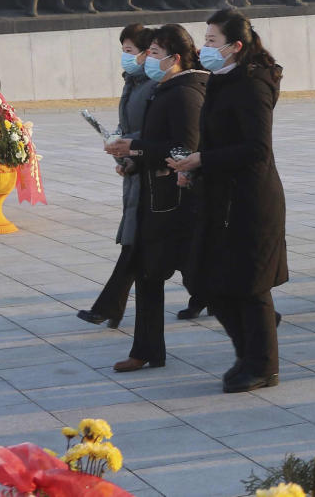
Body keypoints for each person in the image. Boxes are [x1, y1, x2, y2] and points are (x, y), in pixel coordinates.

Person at [167, 9, 288, 392]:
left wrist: (203, 159)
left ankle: (263, 366)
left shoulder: (253, 85)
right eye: (204, 40)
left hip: (250, 201)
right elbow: (216, 137)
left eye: (212, 41)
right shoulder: (222, 80)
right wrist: (193, 167)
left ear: (235, 47)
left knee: (250, 288)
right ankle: (246, 354)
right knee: (210, 284)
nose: (205, 48)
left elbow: (256, 149)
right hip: (220, 197)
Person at [102, 25, 207, 372]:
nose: (148, 60)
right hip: (153, 196)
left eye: (155, 54)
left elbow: (184, 148)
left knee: (204, 277)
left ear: (175, 59)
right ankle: (147, 350)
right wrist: (132, 159)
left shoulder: (185, 93)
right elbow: (156, 143)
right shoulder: (162, 90)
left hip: (174, 202)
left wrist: (135, 146)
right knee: (148, 275)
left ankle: (259, 321)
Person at [77, 24, 156, 328]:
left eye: (129, 51)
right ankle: (111, 307)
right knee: (137, 246)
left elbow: (155, 132)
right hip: (137, 170)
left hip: (156, 177)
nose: (124, 57)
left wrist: (128, 146)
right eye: (123, 50)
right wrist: (122, 147)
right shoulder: (133, 82)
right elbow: (131, 125)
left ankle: (108, 307)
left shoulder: (153, 84)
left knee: (143, 246)